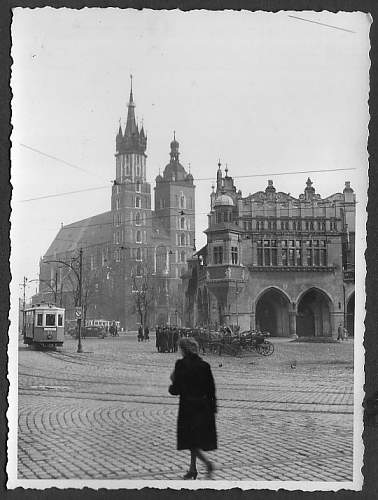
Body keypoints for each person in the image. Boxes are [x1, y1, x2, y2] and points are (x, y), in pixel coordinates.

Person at [169, 337, 217, 480]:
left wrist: (172, 381)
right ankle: (193, 469)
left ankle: (207, 464)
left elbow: (175, 390)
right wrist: (213, 409)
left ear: (183, 350)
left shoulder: (181, 365)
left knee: (190, 440)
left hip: (188, 408)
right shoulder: (205, 365)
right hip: (203, 408)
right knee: (194, 440)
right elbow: (211, 389)